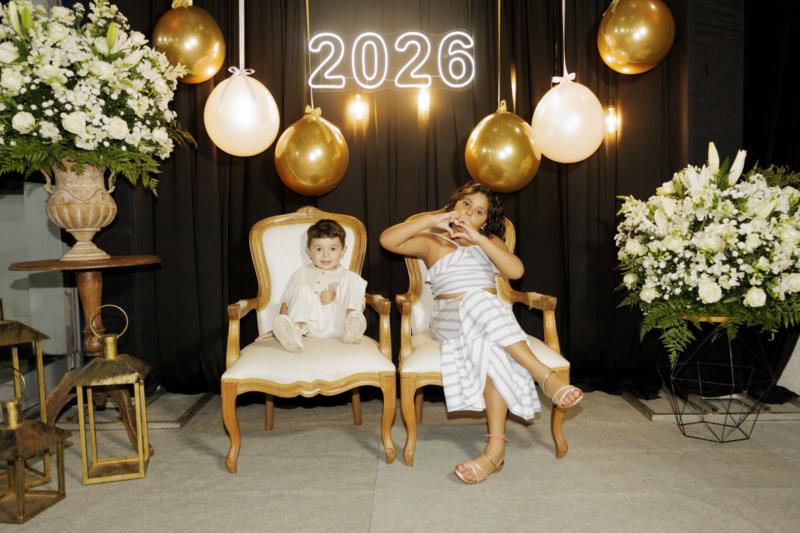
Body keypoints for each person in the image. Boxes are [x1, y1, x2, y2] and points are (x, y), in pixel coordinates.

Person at [379, 181, 583, 484]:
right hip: (449, 318)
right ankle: (545, 377)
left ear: (484, 221)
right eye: (466, 204)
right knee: (479, 300)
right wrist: (434, 219)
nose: (469, 213)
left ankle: (494, 452)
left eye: (479, 212)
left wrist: (478, 239)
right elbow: (387, 240)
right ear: (453, 204)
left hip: (490, 322)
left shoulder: (490, 241)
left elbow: (515, 272)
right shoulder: (432, 241)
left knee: (492, 350)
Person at [269, 219, 368, 352]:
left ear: (343, 251)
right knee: (301, 288)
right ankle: (294, 331)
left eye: (333, 249)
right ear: (309, 251)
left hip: (340, 324)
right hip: (310, 326)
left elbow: (359, 300)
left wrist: (335, 294)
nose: (326, 254)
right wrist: (277, 329)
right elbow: (286, 304)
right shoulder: (302, 272)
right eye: (319, 249)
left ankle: (353, 323)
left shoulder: (345, 276)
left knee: (353, 278)